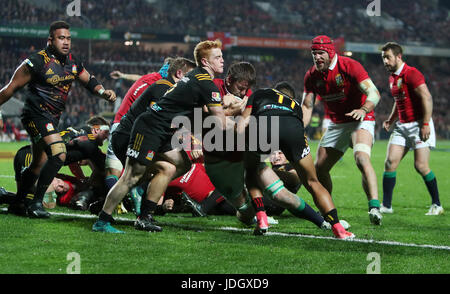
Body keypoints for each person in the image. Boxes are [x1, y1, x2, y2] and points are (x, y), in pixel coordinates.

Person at [92, 40, 230, 233]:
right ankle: (102, 220)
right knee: (130, 177)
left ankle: (145, 215)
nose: (223, 60)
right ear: (205, 62)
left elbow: (202, 114)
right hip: (148, 129)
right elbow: (219, 122)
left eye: (222, 56)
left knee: (178, 164)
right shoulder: (205, 83)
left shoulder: (194, 79)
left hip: (160, 131)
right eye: (218, 57)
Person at [0, 21, 116, 218]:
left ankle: (18, 202)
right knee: (59, 152)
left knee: (38, 164)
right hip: (34, 115)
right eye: (61, 38)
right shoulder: (36, 62)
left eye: (68, 38)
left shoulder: (73, 62)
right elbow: (10, 88)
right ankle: (37, 203)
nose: (66, 42)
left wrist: (103, 92)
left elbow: (89, 81)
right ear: (50, 40)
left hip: (52, 119)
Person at [241, 81, 354, 239]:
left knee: (252, 170)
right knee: (313, 182)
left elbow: (244, 121)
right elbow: (296, 127)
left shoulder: (261, 93)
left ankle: (261, 217)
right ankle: (337, 227)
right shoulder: (295, 106)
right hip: (292, 128)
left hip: (265, 124)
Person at [302, 35, 383, 225]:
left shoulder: (350, 66)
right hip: (337, 124)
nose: (317, 57)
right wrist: (299, 126)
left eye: (321, 53)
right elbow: (307, 106)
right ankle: (327, 209)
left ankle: (374, 207)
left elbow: (374, 93)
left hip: (360, 118)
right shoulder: (311, 75)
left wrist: (363, 109)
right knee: (319, 169)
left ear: (330, 52)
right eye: (314, 54)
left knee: (361, 158)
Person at [380, 42, 443, 215]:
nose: (385, 61)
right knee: (390, 162)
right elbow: (398, 100)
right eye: (383, 58)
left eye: (388, 57)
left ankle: (437, 204)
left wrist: (425, 124)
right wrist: (391, 119)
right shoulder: (392, 76)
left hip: (418, 124)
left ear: (398, 57)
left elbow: (427, 98)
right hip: (402, 126)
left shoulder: (411, 73)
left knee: (421, 166)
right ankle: (386, 206)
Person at [105, 58, 173, 193]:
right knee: (141, 170)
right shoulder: (161, 85)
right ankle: (136, 196)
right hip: (131, 128)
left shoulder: (150, 78)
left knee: (114, 170)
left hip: (119, 124)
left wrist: (123, 76)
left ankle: (115, 203)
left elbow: (138, 77)